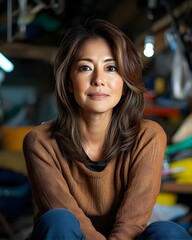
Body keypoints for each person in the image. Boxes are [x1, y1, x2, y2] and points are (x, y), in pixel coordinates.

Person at [23, 18, 192, 240]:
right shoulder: (40, 142)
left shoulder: (149, 136)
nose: (98, 79)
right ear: (68, 82)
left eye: (111, 68)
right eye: (85, 68)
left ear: (125, 83)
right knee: (59, 220)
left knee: (169, 233)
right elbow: (64, 217)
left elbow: (132, 222)